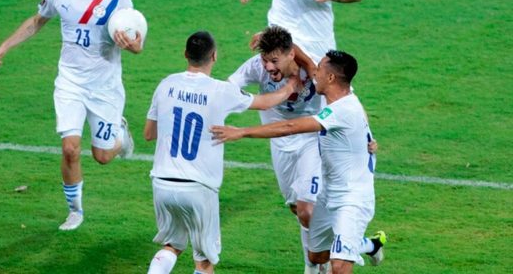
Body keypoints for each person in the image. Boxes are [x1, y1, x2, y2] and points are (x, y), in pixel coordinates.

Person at [0, 0, 144, 231]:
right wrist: (5, 45)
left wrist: (132, 46)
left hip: (105, 87)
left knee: (102, 156)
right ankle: (75, 211)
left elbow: (137, 42)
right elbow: (37, 21)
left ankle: (120, 137)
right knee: (70, 148)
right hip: (70, 83)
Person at [211, 50, 386, 274]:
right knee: (317, 255)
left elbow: (290, 127)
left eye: (319, 70)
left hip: (351, 199)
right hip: (328, 194)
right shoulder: (341, 103)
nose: (314, 74)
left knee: (340, 266)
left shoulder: (344, 110)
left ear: (331, 78)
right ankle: (370, 245)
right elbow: (366, 141)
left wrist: (243, 131)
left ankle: (351, 248)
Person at [143, 31, 301, 274]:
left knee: (172, 245)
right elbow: (265, 102)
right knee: (204, 262)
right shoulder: (220, 91)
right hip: (199, 186)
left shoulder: (166, 84)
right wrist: (290, 86)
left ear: (186, 55)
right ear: (214, 56)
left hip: (162, 182)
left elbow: (148, 134)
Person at [228, 26, 326, 273]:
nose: (269, 67)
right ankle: (361, 244)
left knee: (306, 209)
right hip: (280, 141)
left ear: (291, 54)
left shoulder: (315, 69)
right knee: (296, 207)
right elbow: (228, 88)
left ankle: (312, 266)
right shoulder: (256, 67)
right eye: (265, 60)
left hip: (311, 138)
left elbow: (347, 98)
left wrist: (366, 135)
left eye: (274, 60)